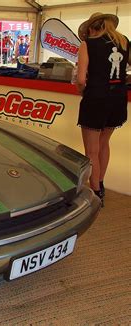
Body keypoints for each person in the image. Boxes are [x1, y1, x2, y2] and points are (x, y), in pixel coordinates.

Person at [75, 12, 129, 206]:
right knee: (104, 144)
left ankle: (96, 193)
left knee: (91, 151)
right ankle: (101, 184)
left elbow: (81, 79)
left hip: (95, 99)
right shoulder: (124, 43)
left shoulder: (87, 44)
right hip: (118, 99)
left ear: (92, 27)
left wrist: (82, 90)